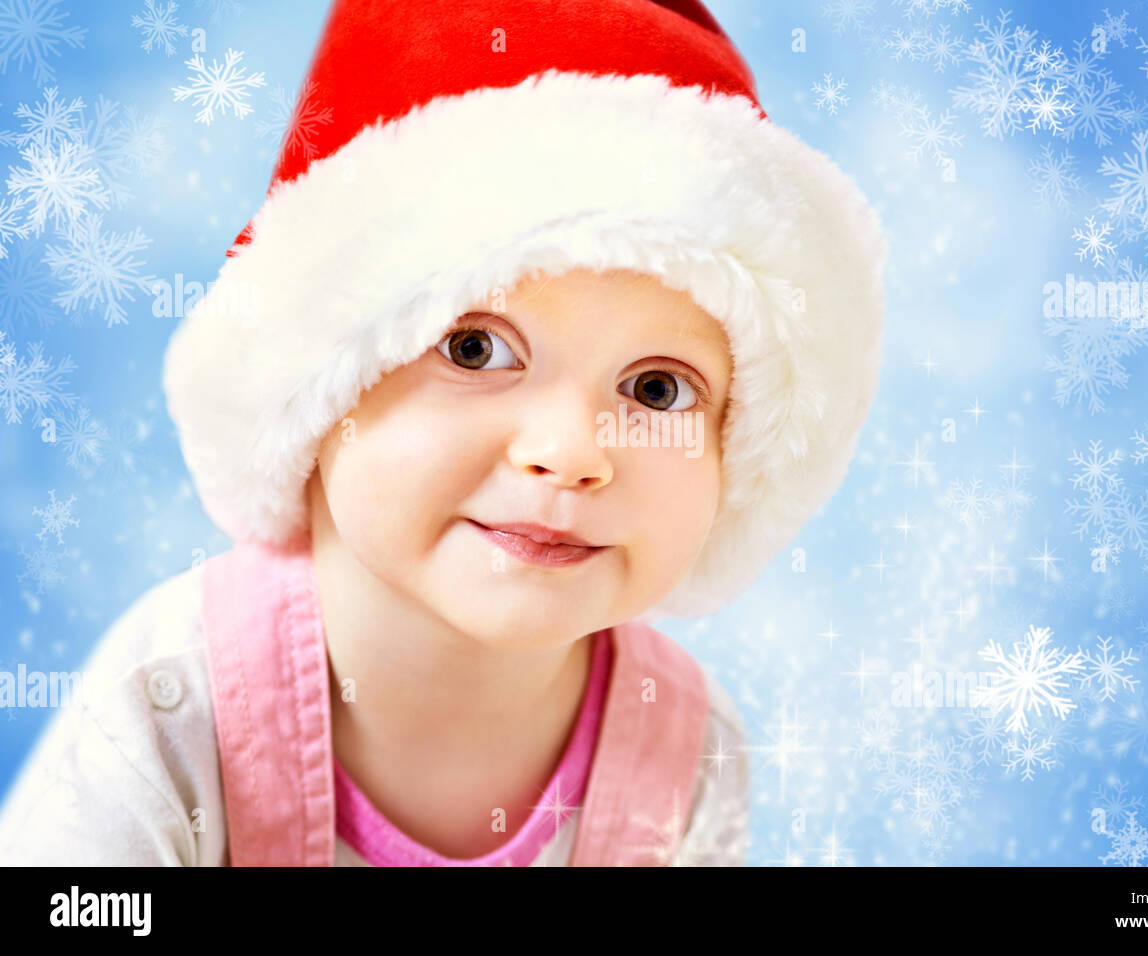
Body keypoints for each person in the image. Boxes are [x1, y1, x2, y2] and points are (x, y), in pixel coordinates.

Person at [0, 0, 885, 866]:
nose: (573, 452)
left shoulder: (682, 753)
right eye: (474, 348)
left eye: (656, 389)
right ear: (319, 379)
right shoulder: (173, 710)